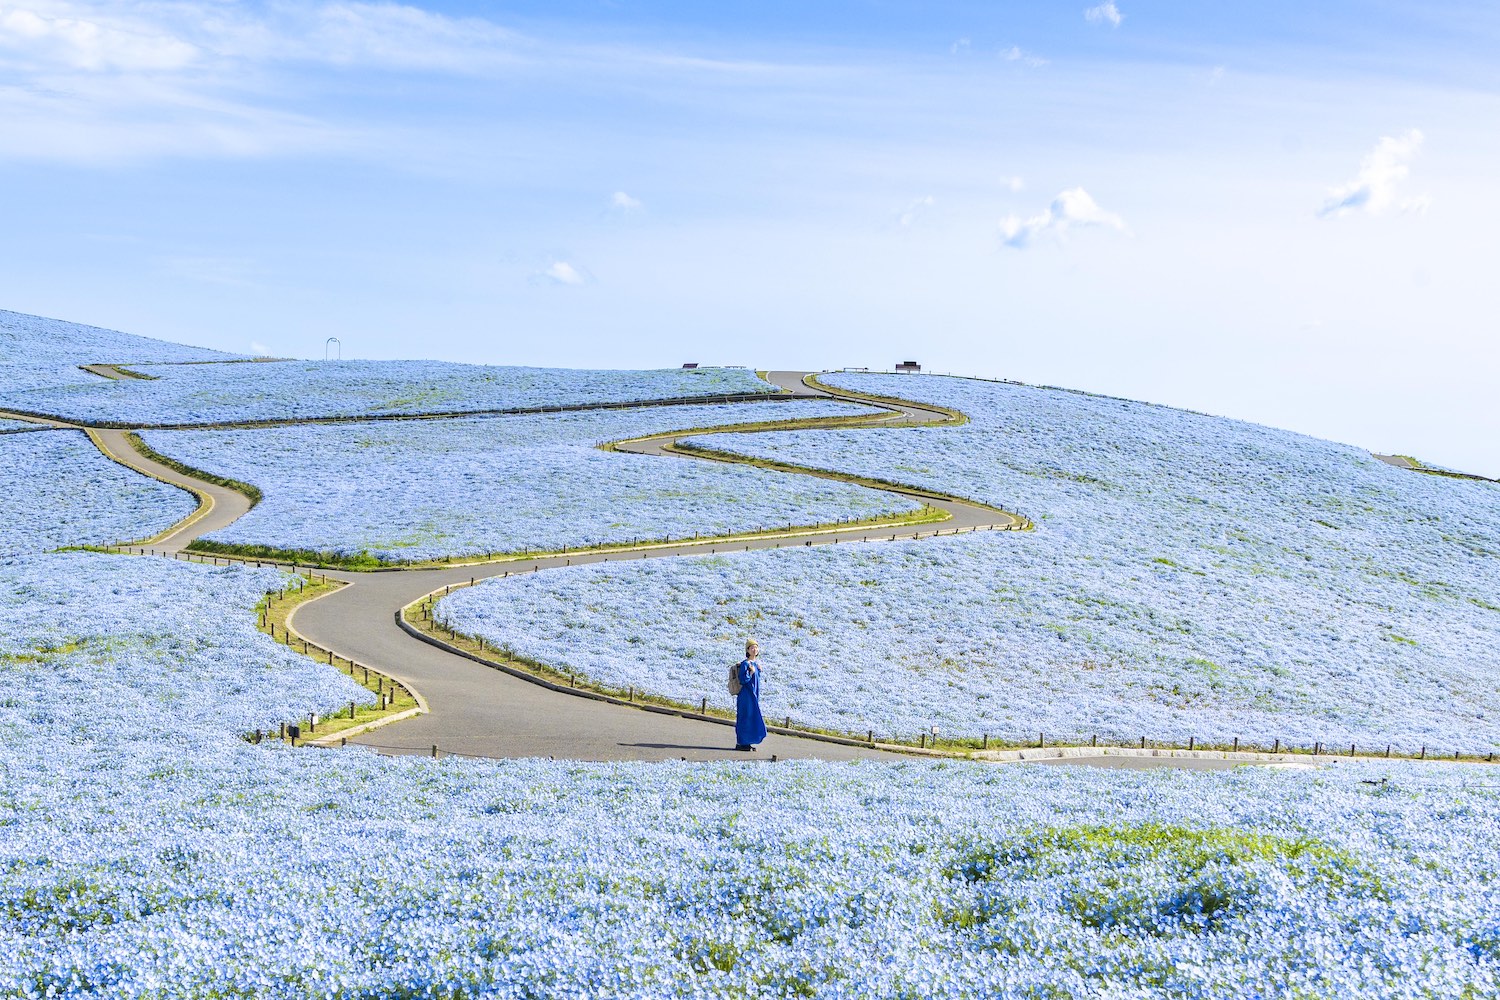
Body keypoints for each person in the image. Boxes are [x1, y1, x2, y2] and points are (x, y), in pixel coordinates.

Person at [734, 639, 767, 751]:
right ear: (747, 650)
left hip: (753, 695)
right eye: (752, 647)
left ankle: (748, 742)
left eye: (756, 647)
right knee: (745, 717)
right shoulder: (745, 664)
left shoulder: (756, 664)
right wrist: (751, 672)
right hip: (746, 696)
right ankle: (741, 743)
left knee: (751, 717)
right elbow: (743, 680)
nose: (754, 650)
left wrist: (758, 671)